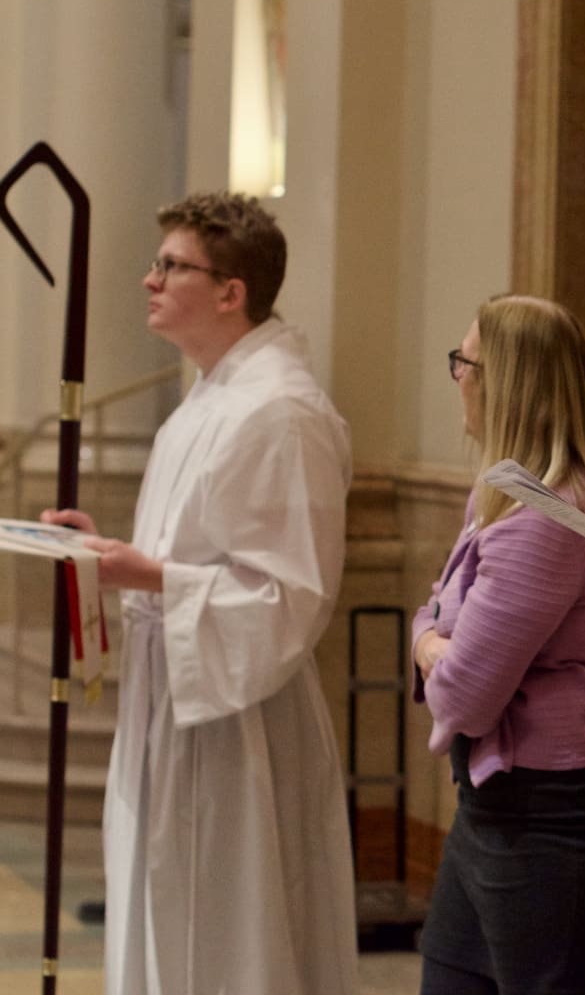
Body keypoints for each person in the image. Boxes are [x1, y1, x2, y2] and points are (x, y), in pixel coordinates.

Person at [42, 192, 356, 994]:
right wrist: (110, 552)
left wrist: (148, 575)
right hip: (176, 697)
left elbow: (292, 596)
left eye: (171, 266)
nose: (149, 280)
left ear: (230, 292)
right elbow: (203, 546)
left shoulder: (282, 411)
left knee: (227, 928)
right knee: (165, 907)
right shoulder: (212, 395)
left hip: (234, 721)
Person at [411, 295, 585, 995]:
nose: (457, 377)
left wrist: (428, 646)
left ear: (505, 382)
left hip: (557, 815)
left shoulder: (546, 519)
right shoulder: (506, 495)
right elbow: (437, 607)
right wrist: (435, 638)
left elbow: (465, 696)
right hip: (496, 803)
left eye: (464, 363)